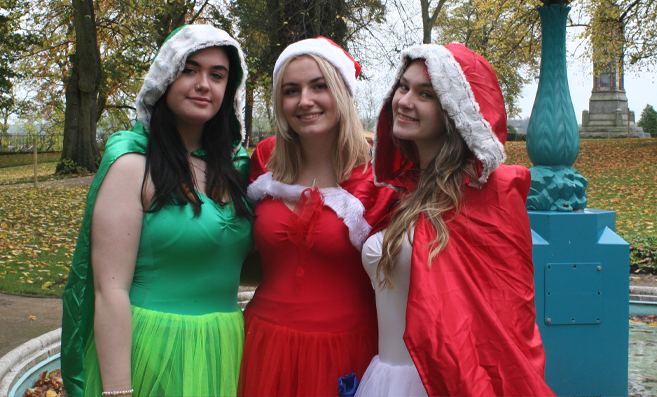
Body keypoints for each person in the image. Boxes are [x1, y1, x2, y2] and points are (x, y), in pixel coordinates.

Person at [60, 25, 253, 397]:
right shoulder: (132, 164)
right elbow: (109, 290)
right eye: (189, 69)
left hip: (226, 346)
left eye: (217, 75)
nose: (203, 84)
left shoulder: (234, 171)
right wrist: (118, 391)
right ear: (165, 77)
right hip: (154, 350)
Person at [357, 43, 556, 396]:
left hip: (442, 384)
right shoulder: (399, 193)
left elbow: (508, 320)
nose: (404, 101)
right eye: (403, 87)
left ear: (454, 108)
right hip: (383, 380)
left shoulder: (491, 196)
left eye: (426, 93)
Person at [238, 37, 396, 397]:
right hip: (263, 344)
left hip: (346, 352)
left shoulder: (379, 175)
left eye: (319, 86)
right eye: (291, 90)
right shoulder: (265, 160)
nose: (304, 100)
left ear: (342, 90)